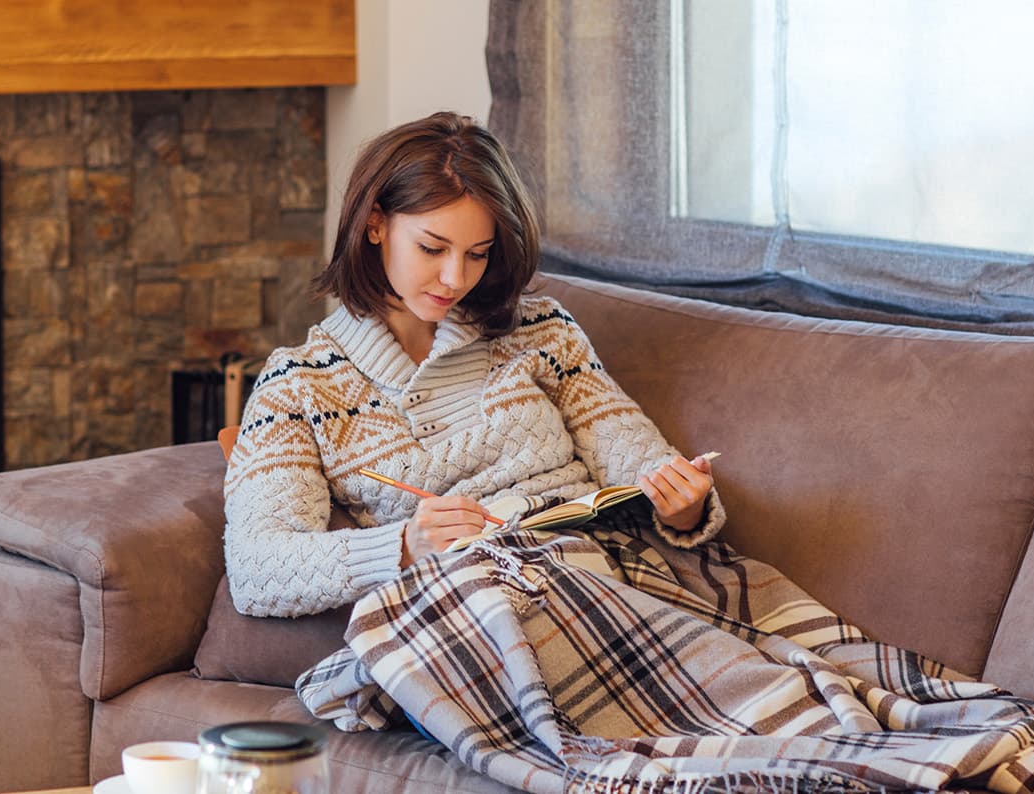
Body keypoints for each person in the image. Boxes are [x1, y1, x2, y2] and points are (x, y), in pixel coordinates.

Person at [222, 111, 723, 618]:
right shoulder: (297, 386)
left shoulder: (543, 331)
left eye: (477, 254)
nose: (454, 278)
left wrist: (684, 507)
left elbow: (640, 460)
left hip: (601, 573)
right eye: (432, 248)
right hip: (472, 606)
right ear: (375, 223)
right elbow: (255, 567)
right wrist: (402, 547)